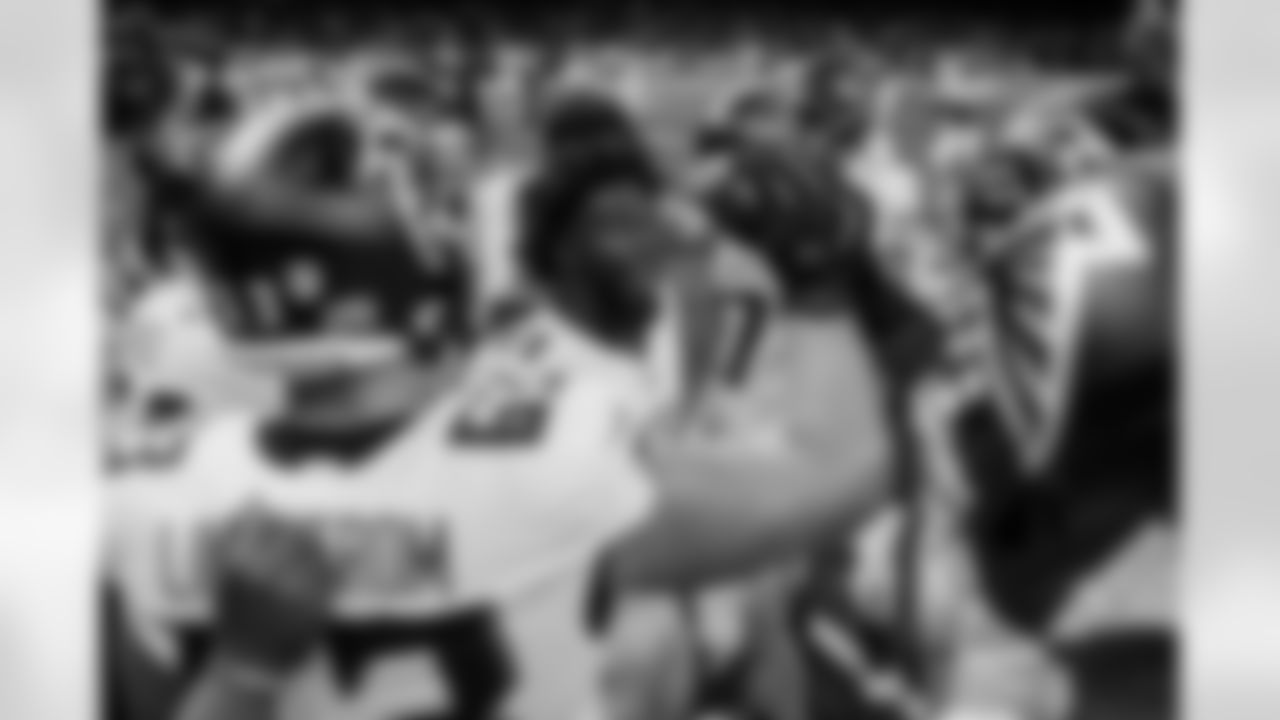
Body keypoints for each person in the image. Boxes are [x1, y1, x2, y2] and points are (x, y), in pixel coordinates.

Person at [104, 63, 896, 720]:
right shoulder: (546, 460)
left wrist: (243, 672)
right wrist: (817, 285)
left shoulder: (155, 495)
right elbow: (844, 469)